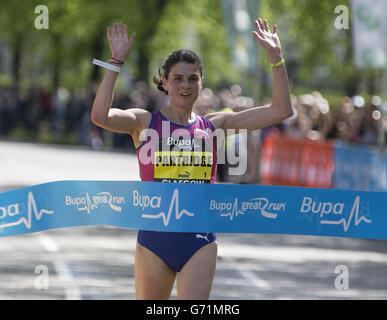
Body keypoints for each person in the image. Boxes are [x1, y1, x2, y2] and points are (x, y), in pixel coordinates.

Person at [91, 18, 293, 300]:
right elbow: (100, 116)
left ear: (201, 82)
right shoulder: (144, 122)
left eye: (192, 78)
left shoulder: (215, 125)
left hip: (199, 241)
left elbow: (282, 110)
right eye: (177, 78)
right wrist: (115, 62)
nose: (185, 85)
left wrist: (276, 58)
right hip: (154, 240)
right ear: (164, 82)